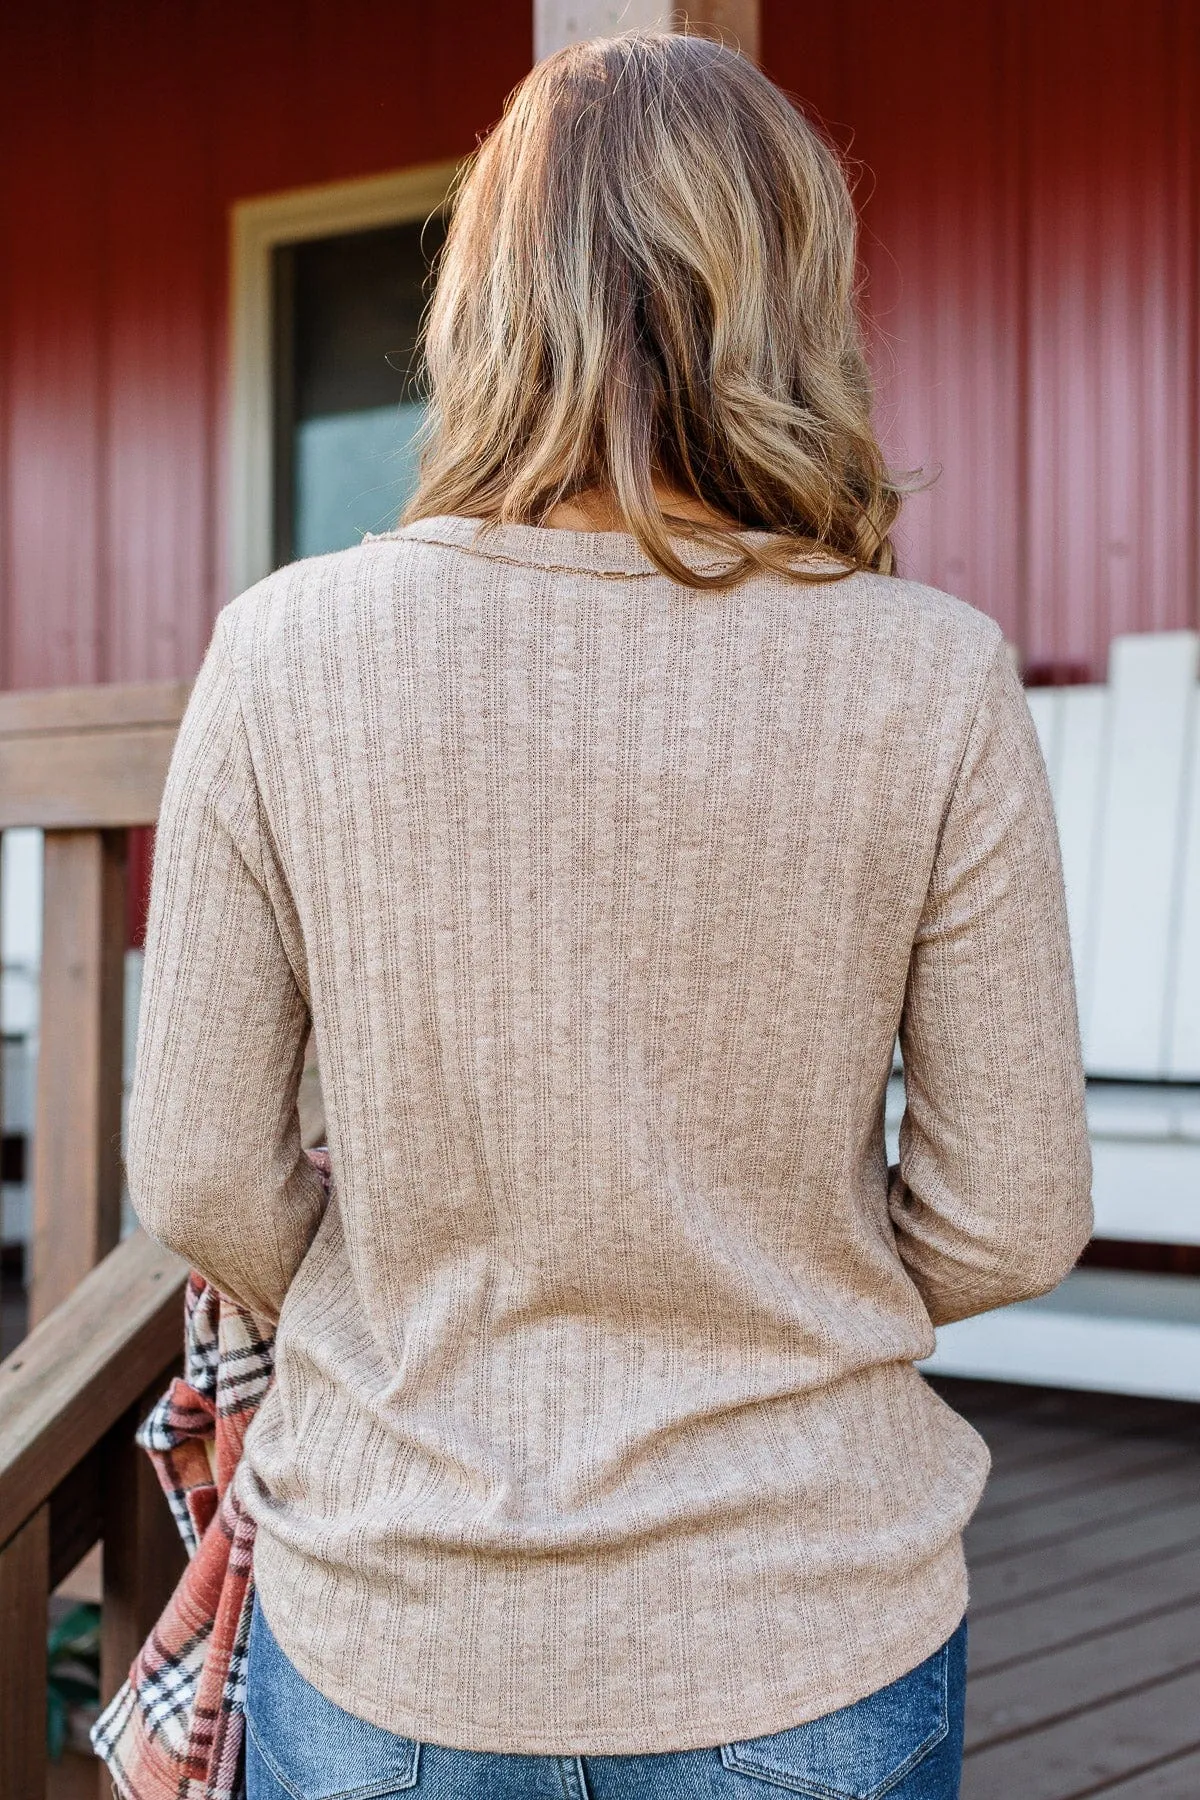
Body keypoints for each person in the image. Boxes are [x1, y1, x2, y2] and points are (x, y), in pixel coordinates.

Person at [127, 30, 1092, 1800]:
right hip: (809, 1620)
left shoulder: (284, 652)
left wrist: (404, 1307)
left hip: (395, 1627)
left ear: (486, 295)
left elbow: (196, 1165)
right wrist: (771, 1280)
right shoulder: (930, 678)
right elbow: (1013, 1214)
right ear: (795, 290)